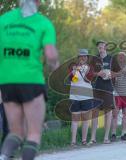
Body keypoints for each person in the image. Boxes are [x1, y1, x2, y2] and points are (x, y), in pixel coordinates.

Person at [0, 0, 59, 159]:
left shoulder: (4, 20)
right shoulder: (43, 23)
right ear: (38, 2)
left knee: (15, 132)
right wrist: (55, 66)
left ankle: (3, 156)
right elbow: (51, 56)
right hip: (31, 80)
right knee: (33, 133)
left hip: (7, 81)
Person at [69, 49, 98, 147]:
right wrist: (76, 70)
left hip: (86, 96)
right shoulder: (72, 67)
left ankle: (84, 140)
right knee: (75, 119)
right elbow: (73, 79)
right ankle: (73, 141)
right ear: (78, 57)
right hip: (75, 96)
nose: (83, 58)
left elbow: (89, 78)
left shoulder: (90, 67)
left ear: (87, 58)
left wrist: (81, 70)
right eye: (81, 56)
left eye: (85, 56)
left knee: (86, 119)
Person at [90, 40, 114, 145]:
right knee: (95, 112)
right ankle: (93, 138)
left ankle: (106, 138)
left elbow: (116, 72)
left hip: (108, 88)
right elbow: (90, 73)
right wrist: (98, 74)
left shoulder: (111, 59)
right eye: (98, 47)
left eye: (102, 46)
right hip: (97, 88)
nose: (100, 48)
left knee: (108, 113)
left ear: (106, 47)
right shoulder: (94, 59)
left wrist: (110, 74)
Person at [111, 52, 126, 142]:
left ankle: (123, 134)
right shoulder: (114, 67)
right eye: (119, 57)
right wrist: (119, 72)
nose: (121, 59)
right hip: (116, 94)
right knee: (115, 115)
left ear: (125, 58)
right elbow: (110, 76)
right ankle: (113, 134)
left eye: (123, 57)